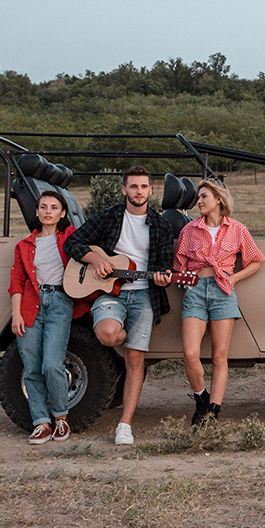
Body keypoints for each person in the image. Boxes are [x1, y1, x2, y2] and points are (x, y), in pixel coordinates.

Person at [64, 166, 173, 445]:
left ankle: (125, 424)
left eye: (144, 187)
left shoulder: (160, 225)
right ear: (124, 189)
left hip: (143, 295)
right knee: (108, 334)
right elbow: (73, 242)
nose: (139, 192)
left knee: (135, 359)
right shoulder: (109, 216)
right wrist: (95, 260)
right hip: (109, 293)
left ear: (150, 191)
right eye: (133, 186)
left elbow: (164, 265)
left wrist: (163, 278)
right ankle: (128, 339)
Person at [173, 179, 265, 426]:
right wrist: (176, 278)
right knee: (190, 353)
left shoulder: (237, 229)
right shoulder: (189, 231)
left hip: (223, 291)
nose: (199, 202)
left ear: (218, 200)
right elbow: (178, 266)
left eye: (204, 197)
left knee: (219, 356)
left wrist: (233, 278)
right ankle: (201, 399)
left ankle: (213, 411)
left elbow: (256, 261)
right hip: (194, 292)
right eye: (199, 197)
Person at [8, 191, 91, 445]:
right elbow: (17, 281)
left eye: (54, 208)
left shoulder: (69, 237)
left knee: (52, 365)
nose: (47, 211)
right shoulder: (24, 245)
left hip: (59, 303)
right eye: (43, 207)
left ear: (62, 213)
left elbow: (87, 253)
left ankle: (61, 418)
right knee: (31, 368)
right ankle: (41, 423)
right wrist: (16, 314)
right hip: (30, 307)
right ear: (36, 212)